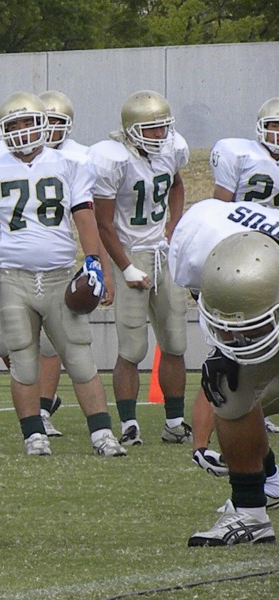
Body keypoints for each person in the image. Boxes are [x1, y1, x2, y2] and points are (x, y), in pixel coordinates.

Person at [0, 91, 126, 458]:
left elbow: (84, 217)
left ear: (44, 124)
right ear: (3, 130)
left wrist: (94, 261)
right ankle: (33, 434)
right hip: (12, 278)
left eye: (28, 122)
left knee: (80, 359)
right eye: (15, 125)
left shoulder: (71, 163)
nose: (23, 131)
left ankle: (102, 433)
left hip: (59, 276)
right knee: (22, 361)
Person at [89, 90, 191, 447]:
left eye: (164, 127)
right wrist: (125, 267)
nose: (160, 135)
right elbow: (103, 223)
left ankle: (174, 422)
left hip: (163, 253)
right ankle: (129, 423)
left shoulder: (171, 150)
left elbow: (177, 184)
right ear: (131, 130)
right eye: (151, 128)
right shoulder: (113, 160)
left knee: (175, 342)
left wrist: (173, 226)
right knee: (131, 348)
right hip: (130, 252)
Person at [167, 228, 278, 545]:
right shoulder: (202, 254)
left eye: (250, 327)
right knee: (227, 384)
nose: (238, 337)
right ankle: (250, 513)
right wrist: (200, 445)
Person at [193, 96, 279, 437]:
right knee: (230, 352)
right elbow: (219, 212)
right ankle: (205, 440)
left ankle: (253, 412)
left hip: (273, 260)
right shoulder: (239, 155)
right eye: (274, 126)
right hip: (242, 261)